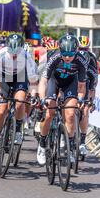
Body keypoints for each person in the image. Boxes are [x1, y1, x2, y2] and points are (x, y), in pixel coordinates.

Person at [0, 34, 39, 162]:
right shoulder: (1, 54)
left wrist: (32, 96)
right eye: (11, 52)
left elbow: (33, 81)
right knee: (1, 110)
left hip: (20, 78)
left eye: (17, 53)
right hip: (4, 78)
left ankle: (18, 128)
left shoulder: (27, 56)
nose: (14, 55)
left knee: (20, 102)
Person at [36, 34, 87, 165]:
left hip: (71, 82)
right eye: (65, 54)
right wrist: (43, 99)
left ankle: (69, 149)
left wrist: (80, 99)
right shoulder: (54, 57)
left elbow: (82, 87)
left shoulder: (81, 61)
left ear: (76, 51)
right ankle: (42, 144)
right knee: (49, 114)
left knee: (70, 115)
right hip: (54, 81)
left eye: (71, 54)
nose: (68, 57)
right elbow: (43, 81)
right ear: (60, 51)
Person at [77, 36, 98, 156]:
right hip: (73, 81)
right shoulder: (72, 57)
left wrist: (91, 101)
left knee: (85, 111)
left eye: (85, 49)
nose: (82, 51)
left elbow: (93, 83)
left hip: (87, 80)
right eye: (80, 48)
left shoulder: (92, 58)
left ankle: (82, 142)